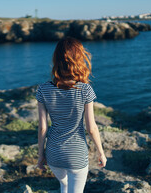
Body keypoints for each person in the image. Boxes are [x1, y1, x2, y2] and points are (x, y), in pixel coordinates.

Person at [36, 36, 107, 193]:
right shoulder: (85, 90)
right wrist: (101, 152)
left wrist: (41, 156)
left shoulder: (43, 89)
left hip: (53, 153)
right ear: (80, 59)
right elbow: (91, 128)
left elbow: (42, 128)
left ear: (56, 59)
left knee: (65, 186)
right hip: (76, 154)